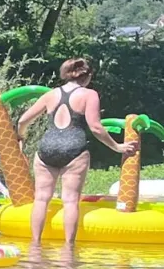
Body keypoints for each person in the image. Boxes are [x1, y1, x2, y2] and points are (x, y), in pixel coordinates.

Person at [19, 57, 134, 248]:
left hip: (47, 148)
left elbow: (23, 120)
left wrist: (21, 136)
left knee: (41, 198)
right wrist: (117, 147)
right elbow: (96, 127)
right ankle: (68, 249)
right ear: (87, 76)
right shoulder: (89, 94)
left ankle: (35, 245)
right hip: (74, 149)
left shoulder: (51, 94)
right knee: (70, 201)